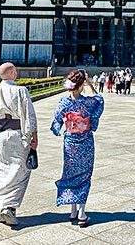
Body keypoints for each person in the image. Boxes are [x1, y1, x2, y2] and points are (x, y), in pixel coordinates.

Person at [0, 63, 38, 226]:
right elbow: (29, 115)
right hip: (17, 136)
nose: (16, 73)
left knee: (0, 171)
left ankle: (3, 208)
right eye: (15, 71)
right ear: (11, 73)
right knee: (19, 171)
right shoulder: (20, 91)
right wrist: (34, 136)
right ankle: (9, 209)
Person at [51, 70, 104, 227]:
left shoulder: (63, 102)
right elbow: (100, 100)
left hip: (70, 141)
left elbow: (56, 121)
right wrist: (91, 84)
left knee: (70, 174)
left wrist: (59, 128)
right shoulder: (88, 102)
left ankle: (73, 210)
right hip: (85, 140)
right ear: (82, 85)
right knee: (84, 174)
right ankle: (81, 213)